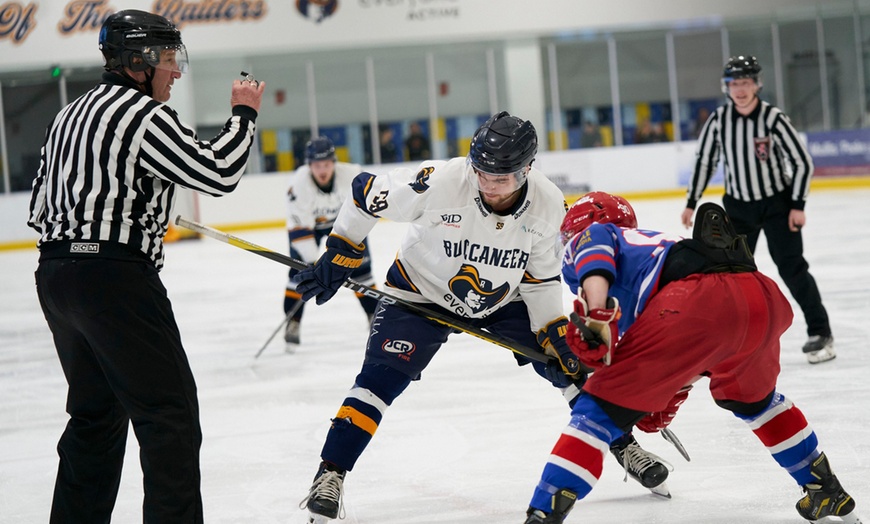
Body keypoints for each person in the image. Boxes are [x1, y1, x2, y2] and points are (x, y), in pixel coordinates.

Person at [292, 112, 670, 522]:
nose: (488, 185)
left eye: (501, 178)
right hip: (419, 293)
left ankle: (623, 445)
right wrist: (340, 252)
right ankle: (330, 474)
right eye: (482, 173)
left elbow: (541, 279)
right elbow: (365, 192)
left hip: (502, 299)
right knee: (378, 381)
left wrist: (550, 328)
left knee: (570, 368)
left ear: (527, 169)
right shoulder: (439, 180)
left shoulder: (547, 206)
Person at [27, 10, 264, 523]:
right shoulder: (142, 115)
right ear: (140, 61)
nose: (177, 71)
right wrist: (243, 115)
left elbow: (41, 205)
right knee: (169, 417)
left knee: (95, 417)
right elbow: (218, 172)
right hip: (113, 279)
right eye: (170, 59)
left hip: (55, 275)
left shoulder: (67, 114)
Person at [521, 192, 861, 524]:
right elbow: (701, 342)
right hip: (760, 297)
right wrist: (675, 390)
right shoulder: (657, 246)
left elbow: (597, 257)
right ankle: (825, 489)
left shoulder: (596, 233)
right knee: (756, 402)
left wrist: (595, 315)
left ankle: (543, 514)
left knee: (597, 411)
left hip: (696, 299)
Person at [681, 55, 834, 364]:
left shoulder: (773, 118)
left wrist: (797, 205)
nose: (740, 89)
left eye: (746, 82)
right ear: (726, 87)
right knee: (731, 275)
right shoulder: (719, 121)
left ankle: (821, 332)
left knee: (792, 269)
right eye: (734, 83)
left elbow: (803, 162)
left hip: (777, 205)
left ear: (757, 85)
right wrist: (691, 202)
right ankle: (729, 341)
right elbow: (704, 161)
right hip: (738, 210)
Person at [283, 136, 379, 352]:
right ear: (309, 166)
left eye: (326, 164)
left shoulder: (353, 175)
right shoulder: (300, 184)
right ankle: (293, 322)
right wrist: (313, 264)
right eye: (317, 165)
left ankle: (374, 317)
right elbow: (300, 230)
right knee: (299, 273)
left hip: (346, 226)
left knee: (362, 272)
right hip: (309, 229)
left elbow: (366, 212)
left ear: (334, 162)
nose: (323, 170)